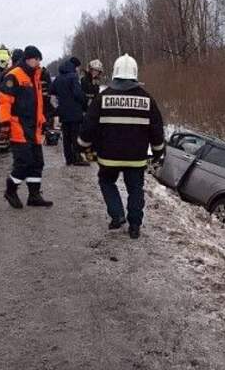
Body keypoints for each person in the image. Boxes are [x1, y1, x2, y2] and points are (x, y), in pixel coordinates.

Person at [78, 54, 165, 239]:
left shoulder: (103, 98)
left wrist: (83, 146)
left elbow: (88, 126)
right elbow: (157, 130)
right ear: (135, 73)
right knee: (135, 189)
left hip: (108, 157)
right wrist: (158, 153)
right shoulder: (147, 99)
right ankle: (135, 226)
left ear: (115, 73)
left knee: (106, 181)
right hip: (136, 158)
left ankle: (117, 215)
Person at [0, 45, 53, 209]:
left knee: (37, 162)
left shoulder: (35, 76)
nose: (38, 63)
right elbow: (4, 101)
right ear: (29, 59)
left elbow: (37, 104)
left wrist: (43, 121)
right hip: (18, 127)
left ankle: (34, 195)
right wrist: (5, 123)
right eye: (37, 59)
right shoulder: (14, 76)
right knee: (24, 163)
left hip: (33, 128)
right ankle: (10, 190)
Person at [50, 58, 89, 166]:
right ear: (75, 66)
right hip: (75, 112)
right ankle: (77, 158)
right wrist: (84, 100)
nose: (78, 69)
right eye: (78, 67)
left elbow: (52, 91)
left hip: (63, 112)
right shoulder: (73, 77)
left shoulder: (58, 78)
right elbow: (77, 93)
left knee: (66, 137)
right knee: (75, 136)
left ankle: (68, 159)